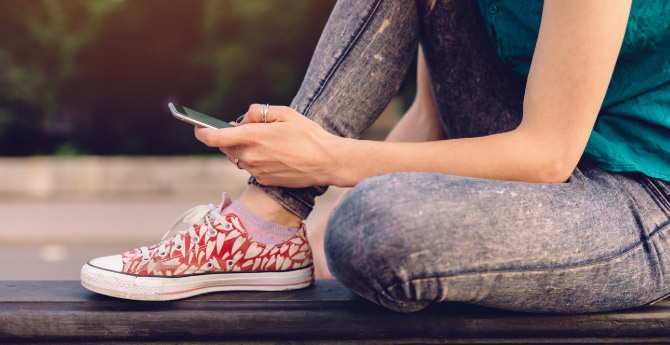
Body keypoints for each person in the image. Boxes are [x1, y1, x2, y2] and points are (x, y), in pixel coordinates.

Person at [81, 0, 670, 313]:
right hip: (529, 170)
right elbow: (427, 122)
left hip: (637, 196)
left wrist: (331, 161)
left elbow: (546, 156)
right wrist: (305, 214)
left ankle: (266, 224)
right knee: (350, 223)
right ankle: (260, 224)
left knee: (372, 228)